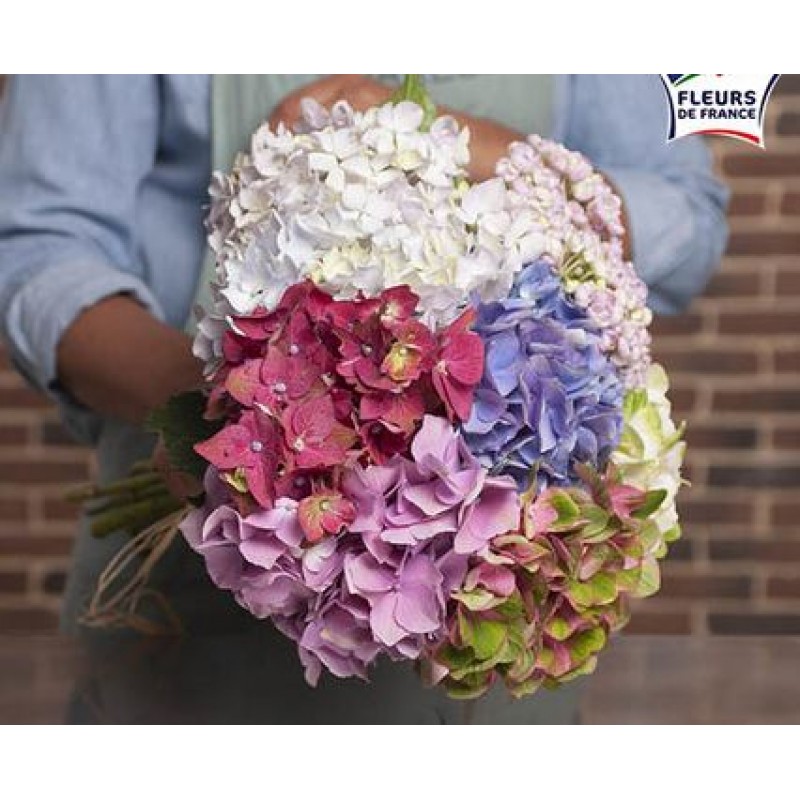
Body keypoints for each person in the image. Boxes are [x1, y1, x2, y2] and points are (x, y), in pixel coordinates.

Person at [0, 75, 729, 723]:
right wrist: (239, 411)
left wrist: (414, 133)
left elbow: (690, 221)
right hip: (191, 596)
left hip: (492, 601)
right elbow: (37, 252)